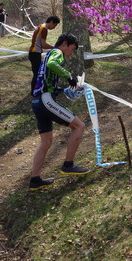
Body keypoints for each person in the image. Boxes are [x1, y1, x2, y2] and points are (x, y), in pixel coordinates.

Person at [29, 32, 90, 191]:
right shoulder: (57, 52)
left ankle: (35, 180)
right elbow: (52, 65)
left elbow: (45, 80)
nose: (71, 53)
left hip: (37, 101)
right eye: (72, 49)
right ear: (64, 44)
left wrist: (63, 90)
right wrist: (69, 76)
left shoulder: (48, 54)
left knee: (46, 142)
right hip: (45, 100)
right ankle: (68, 165)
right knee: (79, 126)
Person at [28, 16, 60, 95]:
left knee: (37, 73)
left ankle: (35, 91)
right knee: (37, 74)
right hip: (35, 53)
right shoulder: (44, 29)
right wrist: (54, 48)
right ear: (51, 21)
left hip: (33, 52)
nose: (54, 27)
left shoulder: (40, 26)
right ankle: (34, 93)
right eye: (55, 25)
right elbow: (43, 44)